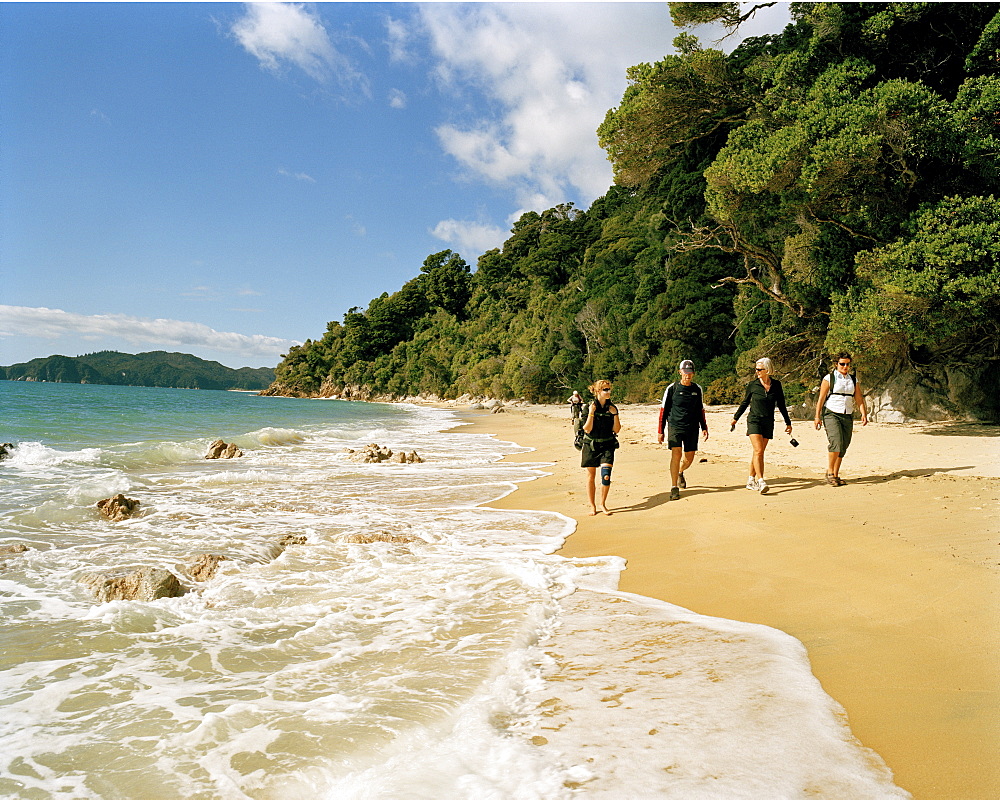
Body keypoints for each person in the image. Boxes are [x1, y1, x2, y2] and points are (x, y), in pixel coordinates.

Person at [731, 357, 792, 494]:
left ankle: (750, 480)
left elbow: (781, 405)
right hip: (754, 420)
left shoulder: (776, 385)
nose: (757, 371)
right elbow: (745, 403)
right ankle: (761, 481)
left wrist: (788, 423)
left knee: (758, 452)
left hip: (768, 421)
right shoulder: (753, 385)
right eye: (756, 369)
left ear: (768, 370)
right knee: (758, 450)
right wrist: (736, 418)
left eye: (759, 369)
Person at [657, 359, 709, 500]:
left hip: (692, 427)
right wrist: (660, 431)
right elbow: (663, 410)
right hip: (675, 426)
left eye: (690, 372)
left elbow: (700, 409)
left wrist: (704, 427)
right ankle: (674, 487)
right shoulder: (672, 388)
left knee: (689, 458)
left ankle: (681, 471)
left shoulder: (697, 389)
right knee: (676, 454)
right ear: (680, 372)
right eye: (685, 372)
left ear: (693, 373)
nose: (688, 375)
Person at [814, 352, 868, 486]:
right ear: (836, 364)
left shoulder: (853, 380)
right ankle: (830, 473)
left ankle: (836, 474)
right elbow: (821, 398)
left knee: (844, 445)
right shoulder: (829, 378)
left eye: (847, 364)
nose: (845, 366)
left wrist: (863, 413)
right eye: (842, 364)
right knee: (836, 442)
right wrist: (817, 416)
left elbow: (858, 398)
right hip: (831, 412)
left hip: (847, 413)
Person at [581, 379, 620, 516]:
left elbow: (617, 429)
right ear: (597, 391)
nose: (608, 392)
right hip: (591, 445)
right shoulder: (588, 407)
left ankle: (602, 504)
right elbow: (587, 428)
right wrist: (591, 412)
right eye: (605, 390)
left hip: (607, 444)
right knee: (590, 475)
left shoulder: (612, 407)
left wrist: (615, 414)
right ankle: (592, 506)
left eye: (609, 389)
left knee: (606, 476)